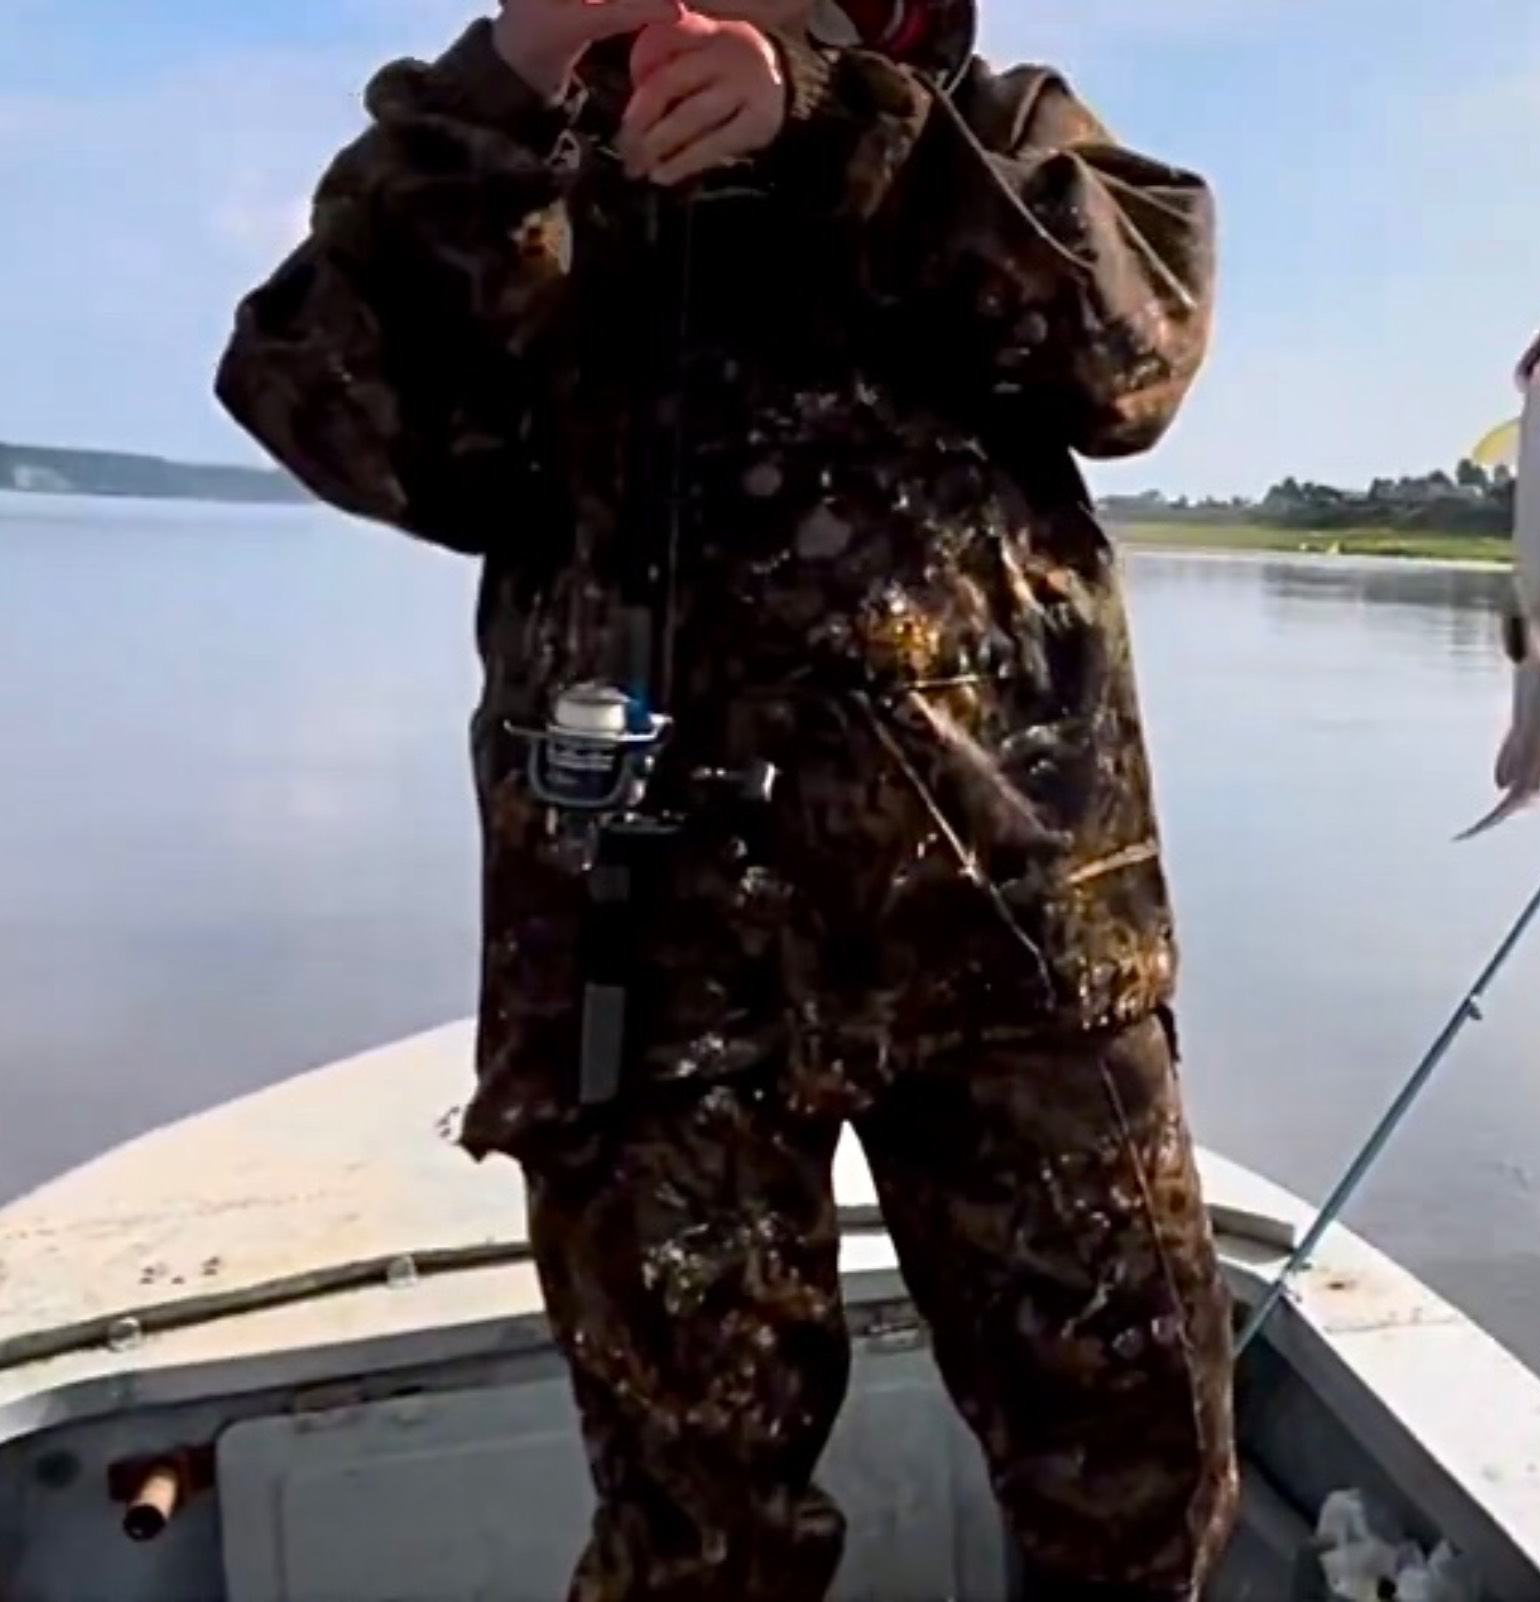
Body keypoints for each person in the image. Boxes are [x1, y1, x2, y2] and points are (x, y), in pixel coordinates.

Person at [212, 1, 1237, 1595]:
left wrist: (832, 132)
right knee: (696, 1544)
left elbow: (1135, 354)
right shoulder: (527, 173)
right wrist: (518, 79)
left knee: (1136, 1484)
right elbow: (336, 415)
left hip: (1018, 938)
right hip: (640, 972)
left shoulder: (994, 127)